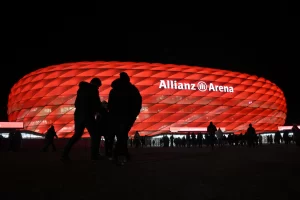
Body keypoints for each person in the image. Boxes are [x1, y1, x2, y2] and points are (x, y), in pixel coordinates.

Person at [61, 77, 105, 160]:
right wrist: (102, 111)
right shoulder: (93, 89)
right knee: (95, 135)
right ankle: (94, 155)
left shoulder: (81, 90)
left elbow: (76, 104)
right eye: (98, 86)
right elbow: (96, 103)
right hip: (88, 115)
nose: (98, 88)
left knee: (77, 135)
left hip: (78, 115)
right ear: (95, 83)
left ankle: (64, 153)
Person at [107, 72, 142, 165]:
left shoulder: (114, 90)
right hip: (127, 116)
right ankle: (120, 154)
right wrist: (134, 114)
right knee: (123, 135)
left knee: (121, 135)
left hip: (116, 115)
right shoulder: (132, 89)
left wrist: (111, 113)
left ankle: (121, 154)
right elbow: (138, 102)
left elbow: (110, 104)